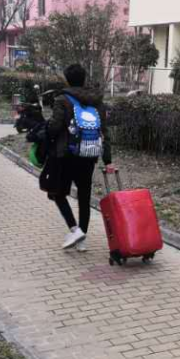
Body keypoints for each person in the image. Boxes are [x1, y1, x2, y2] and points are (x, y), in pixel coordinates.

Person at [45, 64, 112, 252]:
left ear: (67, 79)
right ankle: (81, 239)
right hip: (89, 154)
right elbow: (105, 131)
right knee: (84, 197)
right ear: (84, 79)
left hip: (66, 155)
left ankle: (75, 230)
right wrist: (107, 159)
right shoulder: (97, 101)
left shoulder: (62, 100)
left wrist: (47, 131)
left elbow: (54, 127)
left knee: (58, 193)